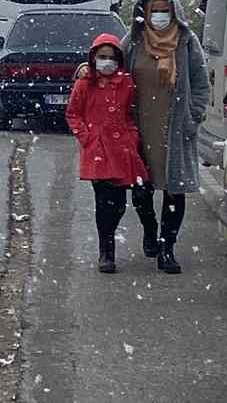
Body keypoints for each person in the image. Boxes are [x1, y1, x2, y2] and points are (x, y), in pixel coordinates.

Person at [121, 0, 210, 275]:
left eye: (164, 10)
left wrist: (193, 115)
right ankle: (149, 229)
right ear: (144, 11)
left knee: (175, 190)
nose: (159, 15)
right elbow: (108, 67)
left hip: (175, 128)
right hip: (140, 127)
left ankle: (166, 247)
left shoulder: (186, 42)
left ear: (173, 11)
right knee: (141, 190)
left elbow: (200, 82)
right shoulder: (133, 40)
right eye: (153, 9)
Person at [65, 33, 149, 274]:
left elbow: (131, 112)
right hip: (98, 152)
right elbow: (73, 113)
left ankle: (114, 243)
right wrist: (87, 137)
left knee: (120, 204)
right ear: (93, 58)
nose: (107, 62)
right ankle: (106, 251)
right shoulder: (84, 83)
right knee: (103, 203)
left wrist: (131, 136)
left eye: (111, 58)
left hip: (121, 149)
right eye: (102, 57)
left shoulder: (126, 83)